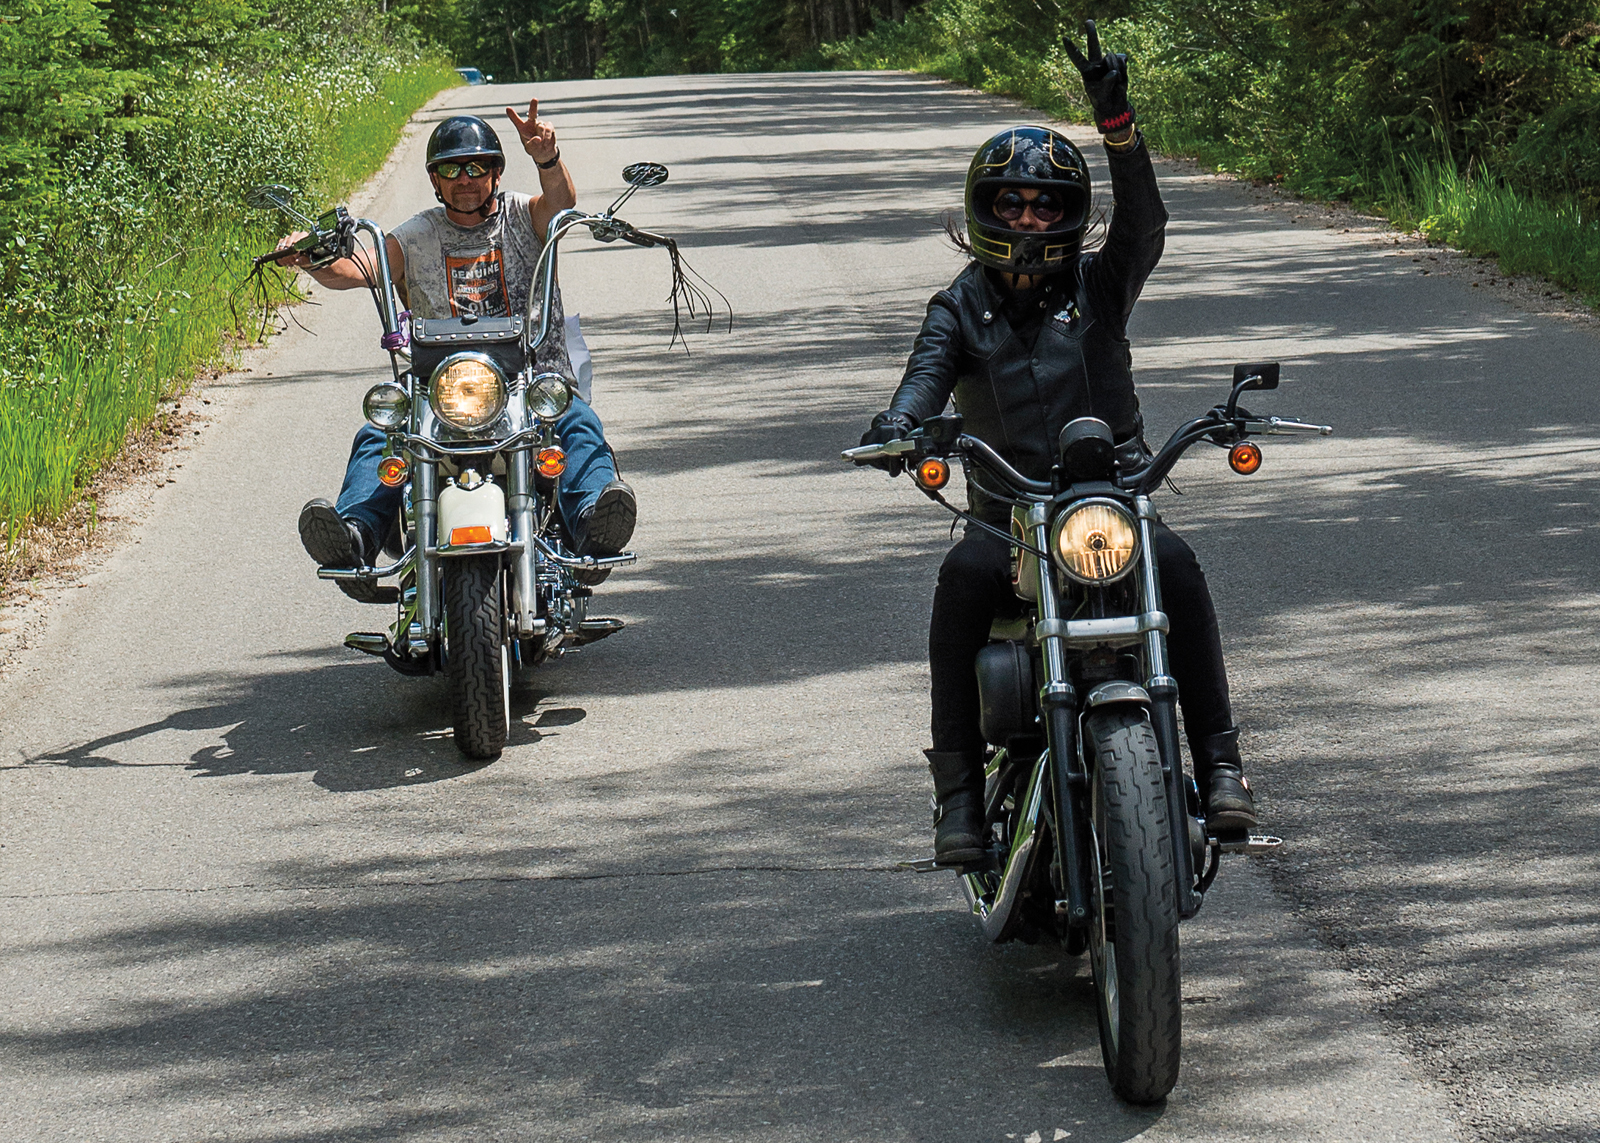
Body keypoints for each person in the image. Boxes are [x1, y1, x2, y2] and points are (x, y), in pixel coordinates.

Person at [857, 22, 1257, 869]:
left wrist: (1120, 127)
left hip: (1112, 499)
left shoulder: (1099, 286)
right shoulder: (958, 306)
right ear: (983, 209)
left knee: (1177, 568)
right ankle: (959, 793)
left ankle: (1221, 764)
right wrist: (900, 425)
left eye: (1045, 201)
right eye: (1010, 200)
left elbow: (1144, 229)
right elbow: (924, 379)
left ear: (1072, 214)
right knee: (959, 586)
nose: (1029, 215)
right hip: (1009, 518)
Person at [279, 100, 636, 597]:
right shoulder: (417, 233)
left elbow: (561, 204)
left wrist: (547, 158)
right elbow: (361, 268)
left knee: (577, 425)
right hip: (439, 389)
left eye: (476, 167)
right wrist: (310, 259)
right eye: (451, 169)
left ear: (494, 172)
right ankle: (354, 535)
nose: (464, 179)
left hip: (530, 379)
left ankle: (594, 522)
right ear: (436, 179)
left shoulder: (523, 216)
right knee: (378, 437)